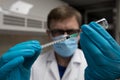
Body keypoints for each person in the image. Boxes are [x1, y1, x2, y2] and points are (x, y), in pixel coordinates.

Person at [0, 5, 120, 80]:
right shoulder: (31, 65)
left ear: (79, 33)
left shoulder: (95, 65)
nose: (66, 36)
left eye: (71, 31)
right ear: (49, 34)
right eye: (58, 31)